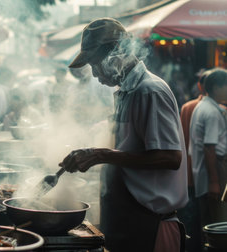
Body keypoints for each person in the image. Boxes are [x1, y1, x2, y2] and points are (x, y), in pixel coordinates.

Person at [62, 18, 188, 252]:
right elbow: (128, 150)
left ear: (117, 53)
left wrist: (101, 155)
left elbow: (170, 157)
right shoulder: (127, 92)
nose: (94, 74)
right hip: (127, 222)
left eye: (94, 64)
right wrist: (91, 154)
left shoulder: (149, 91)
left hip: (149, 228)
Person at [189, 68, 227, 231]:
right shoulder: (211, 112)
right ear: (217, 88)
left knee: (209, 222)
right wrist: (214, 182)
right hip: (214, 172)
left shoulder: (203, 106)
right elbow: (209, 148)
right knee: (217, 224)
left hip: (204, 174)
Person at [178, 69, 211, 252]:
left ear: (199, 86)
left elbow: (182, 139)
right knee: (205, 219)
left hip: (187, 172)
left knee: (190, 220)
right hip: (206, 173)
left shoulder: (187, 107)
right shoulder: (217, 109)